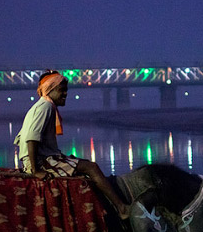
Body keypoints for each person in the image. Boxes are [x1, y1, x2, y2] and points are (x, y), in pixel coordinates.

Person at [15, 70, 132, 219]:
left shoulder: (42, 106)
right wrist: (36, 170)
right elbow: (32, 139)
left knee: (80, 164)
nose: (65, 94)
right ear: (50, 90)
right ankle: (122, 208)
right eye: (61, 90)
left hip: (43, 158)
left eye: (66, 90)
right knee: (91, 167)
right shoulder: (46, 107)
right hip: (41, 162)